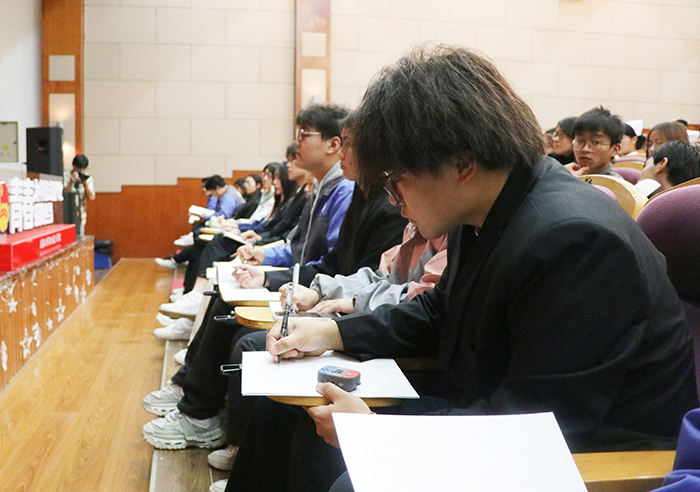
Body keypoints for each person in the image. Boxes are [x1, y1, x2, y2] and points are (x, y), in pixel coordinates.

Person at [226, 46, 698, 492]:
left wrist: (378, 432)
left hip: (593, 450)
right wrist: (331, 333)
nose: (394, 200)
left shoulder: (575, 240)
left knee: (349, 476)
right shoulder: (486, 209)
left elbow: (545, 422)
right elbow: (440, 311)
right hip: (505, 410)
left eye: (395, 181)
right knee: (294, 412)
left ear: (462, 164)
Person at [564, 107, 624, 179]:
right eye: (580, 141)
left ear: (614, 150)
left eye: (596, 142)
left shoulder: (615, 184)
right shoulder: (567, 174)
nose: (585, 149)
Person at [63, 154, 95, 236]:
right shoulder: (65, 175)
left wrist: (85, 185)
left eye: (83, 169)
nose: (81, 171)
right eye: (78, 168)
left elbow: (91, 197)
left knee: (79, 237)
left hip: (81, 215)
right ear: (73, 166)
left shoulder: (87, 178)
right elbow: (63, 194)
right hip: (66, 214)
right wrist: (71, 182)